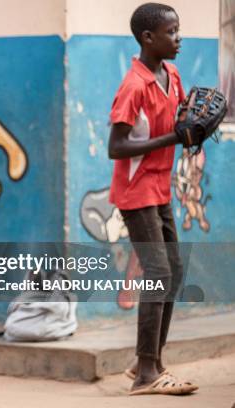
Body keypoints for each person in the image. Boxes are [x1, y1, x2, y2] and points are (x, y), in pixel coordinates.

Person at [107, 2, 197, 396]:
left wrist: (191, 122)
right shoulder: (133, 85)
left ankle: (150, 361)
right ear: (148, 37)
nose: (178, 39)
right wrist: (174, 138)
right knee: (159, 274)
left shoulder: (171, 74)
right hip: (135, 191)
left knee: (173, 273)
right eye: (171, 32)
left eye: (178, 31)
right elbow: (117, 146)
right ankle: (147, 374)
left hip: (159, 188)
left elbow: (177, 120)